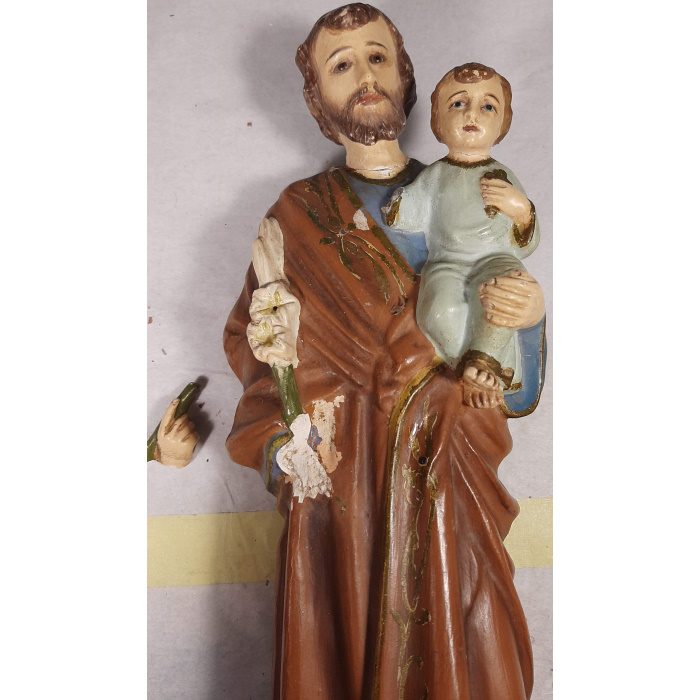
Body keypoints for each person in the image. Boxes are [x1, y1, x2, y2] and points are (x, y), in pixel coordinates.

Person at [223, 4, 546, 698]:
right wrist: (286, 445)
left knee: (469, 628)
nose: (365, 76)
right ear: (318, 98)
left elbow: (511, 386)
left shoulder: (470, 189)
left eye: (378, 57)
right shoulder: (298, 216)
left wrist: (527, 319)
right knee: (342, 638)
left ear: (405, 77)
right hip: (345, 487)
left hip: (451, 466)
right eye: (341, 65)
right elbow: (262, 350)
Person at [385, 63, 540, 409]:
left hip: (496, 259)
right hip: (448, 262)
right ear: (438, 120)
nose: (472, 114)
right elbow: (409, 211)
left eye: (488, 106)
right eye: (458, 103)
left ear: (503, 123)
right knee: (438, 311)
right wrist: (397, 207)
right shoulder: (436, 175)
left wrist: (522, 212)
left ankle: (485, 363)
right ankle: (466, 366)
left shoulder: (502, 174)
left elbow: (527, 244)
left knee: (504, 294)